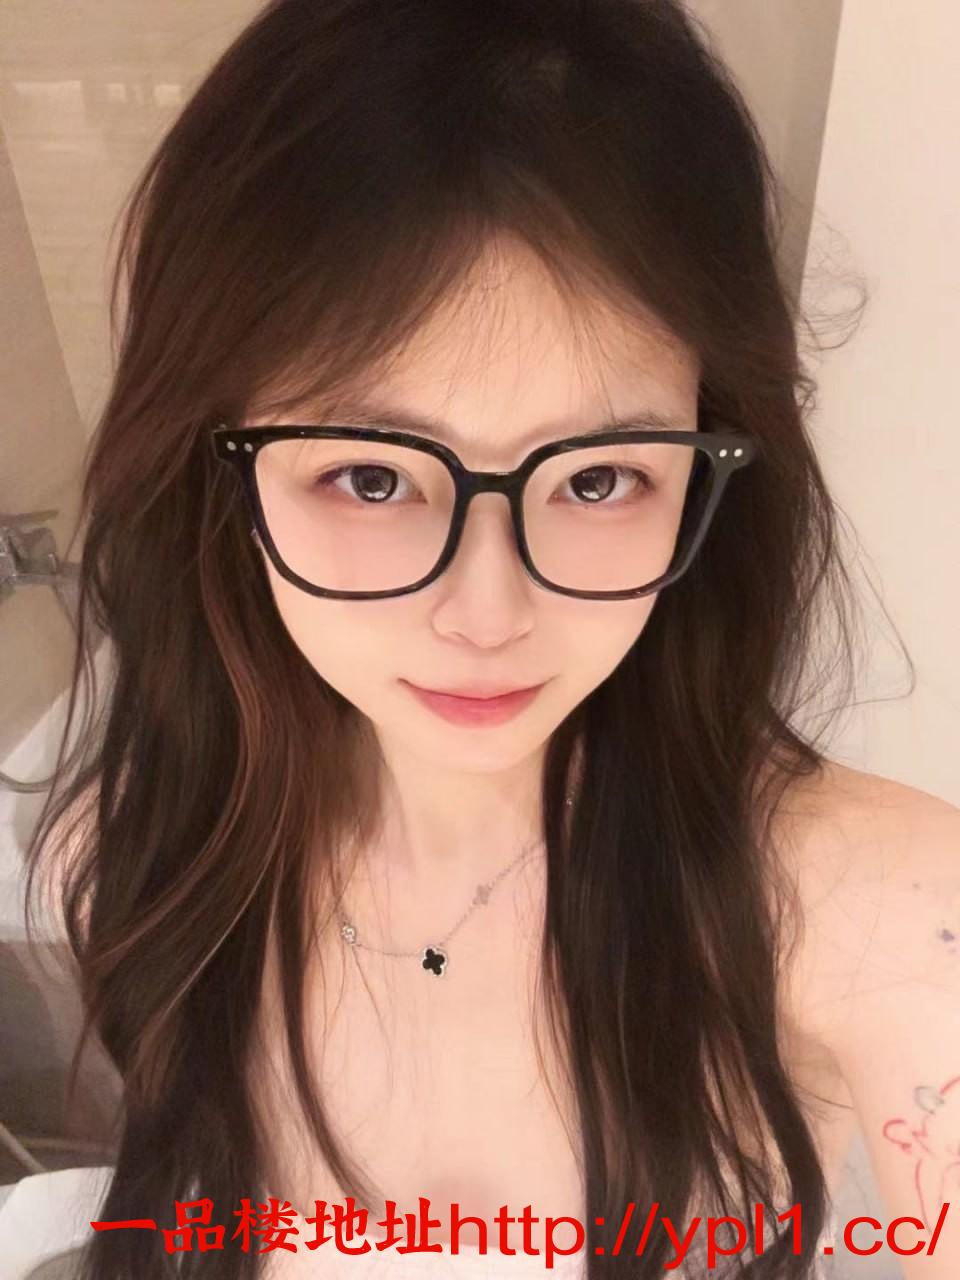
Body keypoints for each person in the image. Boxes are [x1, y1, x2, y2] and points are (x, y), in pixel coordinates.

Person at [21, 0, 960, 1278]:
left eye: (597, 479)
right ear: (216, 472)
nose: (487, 613)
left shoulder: (877, 908)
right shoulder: (146, 857)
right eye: (369, 476)